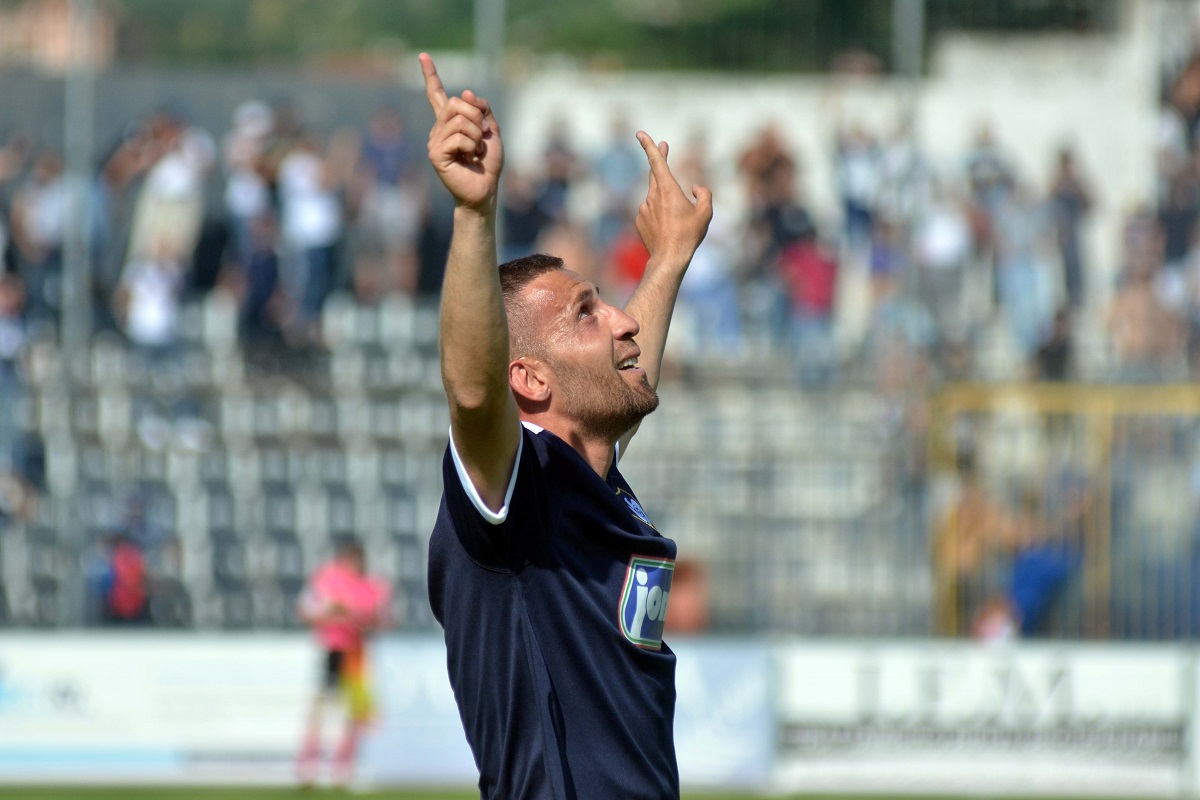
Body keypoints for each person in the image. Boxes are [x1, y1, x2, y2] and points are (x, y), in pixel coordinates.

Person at [419, 52, 711, 800]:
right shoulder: (515, 495)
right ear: (529, 380)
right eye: (586, 312)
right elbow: (475, 395)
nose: (622, 321)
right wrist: (475, 214)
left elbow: (621, 377)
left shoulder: (591, 481)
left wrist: (669, 259)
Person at [295, 537, 390, 788]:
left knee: (353, 714)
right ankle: (308, 766)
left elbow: (380, 619)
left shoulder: (369, 585)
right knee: (321, 709)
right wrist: (338, 614)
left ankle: (342, 768)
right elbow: (307, 610)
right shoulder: (328, 578)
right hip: (333, 650)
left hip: (355, 654)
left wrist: (353, 616)